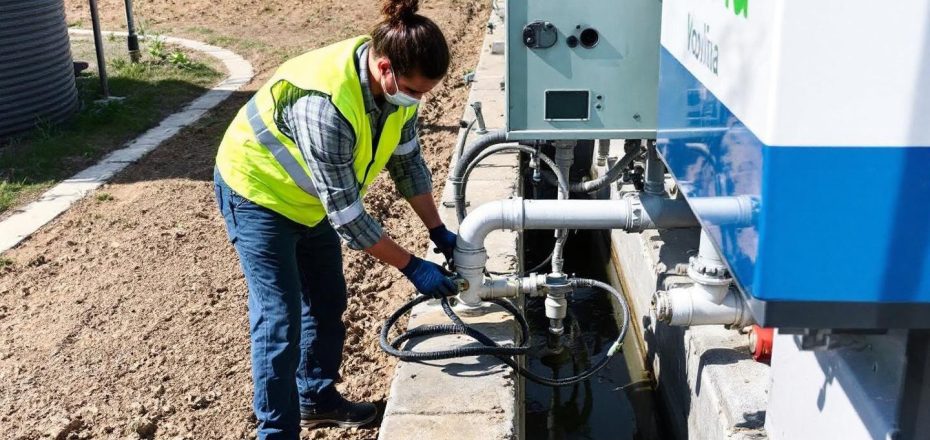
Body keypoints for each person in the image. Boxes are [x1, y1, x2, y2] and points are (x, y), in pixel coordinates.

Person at [212, 0, 457, 437]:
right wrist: (412, 266)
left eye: (424, 93)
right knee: (280, 320)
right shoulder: (325, 105)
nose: (418, 100)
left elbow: (408, 164)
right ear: (385, 68)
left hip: (310, 202)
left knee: (326, 301)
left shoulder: (396, 88)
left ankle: (315, 398)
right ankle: (276, 432)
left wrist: (438, 230)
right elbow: (348, 218)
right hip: (258, 194)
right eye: (414, 91)